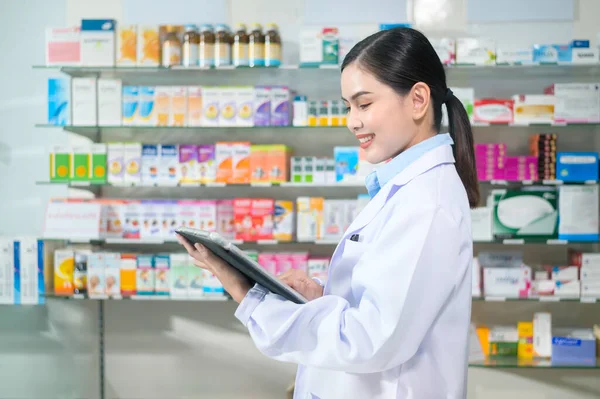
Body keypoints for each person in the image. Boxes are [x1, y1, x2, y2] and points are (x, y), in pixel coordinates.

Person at [177, 27, 478, 399]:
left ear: (417, 100)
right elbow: (390, 309)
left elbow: (373, 340)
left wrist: (248, 295)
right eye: (347, 106)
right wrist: (323, 296)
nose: (352, 121)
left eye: (364, 104)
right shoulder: (407, 190)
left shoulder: (426, 203)